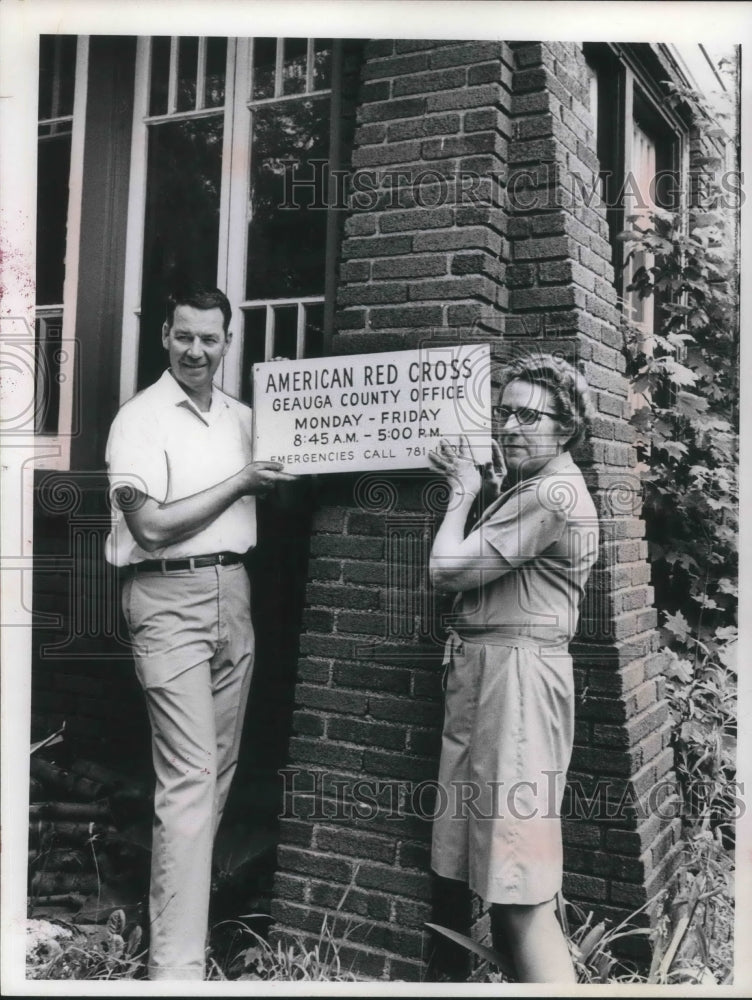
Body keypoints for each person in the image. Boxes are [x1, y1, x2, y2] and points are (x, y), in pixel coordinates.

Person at [105, 287, 296, 980]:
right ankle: (176, 971)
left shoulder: (247, 418)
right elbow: (149, 526)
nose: (195, 351)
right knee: (188, 782)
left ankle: (180, 935)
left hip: (232, 593)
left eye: (209, 340)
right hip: (165, 597)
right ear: (164, 335)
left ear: (226, 343)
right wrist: (243, 481)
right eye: (184, 336)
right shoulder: (140, 419)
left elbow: (296, 480)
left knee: (212, 780)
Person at [428, 352, 599, 984]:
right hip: (495, 675)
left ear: (567, 427)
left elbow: (449, 571)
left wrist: (462, 494)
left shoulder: (551, 493)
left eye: (530, 415)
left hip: (518, 682)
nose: (510, 425)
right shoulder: (533, 489)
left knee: (520, 885)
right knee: (501, 875)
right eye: (505, 412)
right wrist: (493, 491)